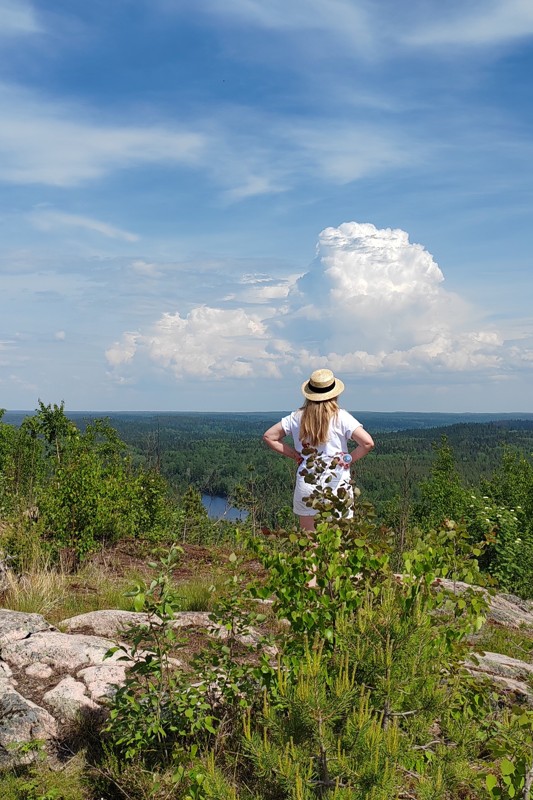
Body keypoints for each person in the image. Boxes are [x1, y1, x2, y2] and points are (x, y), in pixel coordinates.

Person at [263, 368, 374, 532]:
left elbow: (269, 436)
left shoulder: (296, 417)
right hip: (338, 485)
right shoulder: (341, 416)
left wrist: (295, 455)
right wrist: (347, 459)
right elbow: (367, 443)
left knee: (309, 544)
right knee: (340, 544)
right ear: (334, 393)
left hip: (307, 484)